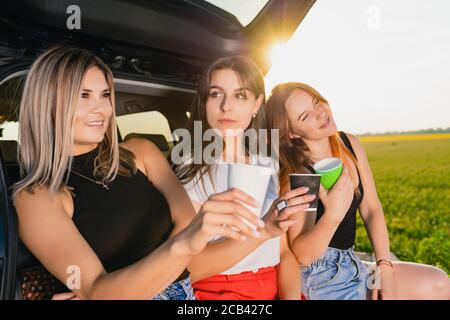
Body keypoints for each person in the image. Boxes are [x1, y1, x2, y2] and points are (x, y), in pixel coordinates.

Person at [13, 46, 266, 300]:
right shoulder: (35, 197)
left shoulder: (141, 151)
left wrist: (121, 289)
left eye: (104, 95)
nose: (101, 109)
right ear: (50, 102)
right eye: (84, 95)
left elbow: (188, 222)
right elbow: (97, 290)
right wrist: (181, 247)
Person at [265, 82, 449, 300]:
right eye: (305, 116)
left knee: (438, 283)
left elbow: (371, 209)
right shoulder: (301, 175)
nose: (320, 113)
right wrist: (333, 214)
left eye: (316, 102)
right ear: (292, 133)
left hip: (353, 265)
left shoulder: (348, 144)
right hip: (320, 277)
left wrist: (384, 265)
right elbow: (303, 255)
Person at [175, 56, 310, 300]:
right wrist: (264, 231)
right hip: (218, 291)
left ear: (257, 104)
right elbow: (186, 268)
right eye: (216, 94)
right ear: (204, 101)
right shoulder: (191, 171)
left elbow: (285, 254)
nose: (227, 106)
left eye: (240, 96)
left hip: (274, 287)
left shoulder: (267, 164)